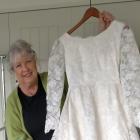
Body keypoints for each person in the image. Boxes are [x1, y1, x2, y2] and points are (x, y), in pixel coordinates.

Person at [5, 11, 114, 140]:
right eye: (18, 65)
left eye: (28, 61)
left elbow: (85, 77)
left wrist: (104, 35)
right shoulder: (13, 103)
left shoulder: (54, 78)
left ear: (35, 61)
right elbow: (16, 137)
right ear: (13, 71)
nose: (25, 69)